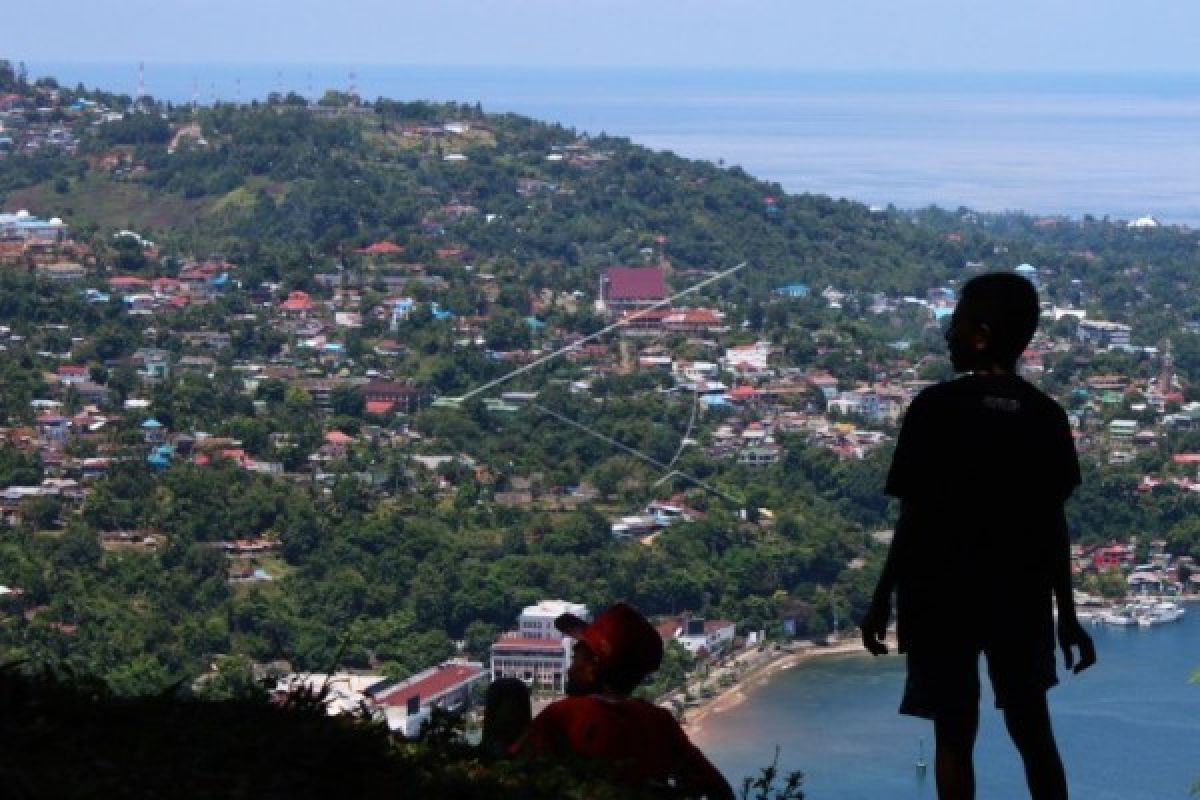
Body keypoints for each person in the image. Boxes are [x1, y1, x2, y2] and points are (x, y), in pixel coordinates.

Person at [860, 272, 1096, 800]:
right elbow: (1053, 527)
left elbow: (913, 518)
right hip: (1020, 596)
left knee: (953, 735)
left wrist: (881, 602)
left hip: (941, 595)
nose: (949, 334)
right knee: (1034, 732)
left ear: (982, 335)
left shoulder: (934, 409)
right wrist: (1069, 618)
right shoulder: (1046, 416)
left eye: (957, 323)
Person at [517, 601, 734, 800]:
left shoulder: (564, 715)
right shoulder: (660, 724)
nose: (569, 668)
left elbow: (507, 774)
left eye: (576, 657)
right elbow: (720, 790)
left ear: (593, 666)